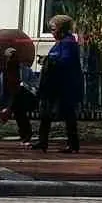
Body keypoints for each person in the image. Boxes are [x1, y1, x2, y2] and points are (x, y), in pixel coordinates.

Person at [35, 14, 82, 153]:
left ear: (62, 30)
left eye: (53, 29)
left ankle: (73, 145)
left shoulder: (68, 43)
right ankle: (43, 142)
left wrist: (48, 60)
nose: (52, 32)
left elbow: (65, 61)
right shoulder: (61, 43)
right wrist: (47, 59)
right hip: (55, 85)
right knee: (45, 113)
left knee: (68, 115)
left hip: (65, 86)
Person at [0, 47, 39, 148]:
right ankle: (26, 136)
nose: (13, 59)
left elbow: (35, 86)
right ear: (6, 58)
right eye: (10, 57)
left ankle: (7, 112)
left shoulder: (26, 70)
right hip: (10, 101)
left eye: (15, 56)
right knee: (18, 108)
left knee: (20, 92)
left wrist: (25, 85)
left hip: (27, 99)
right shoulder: (2, 72)